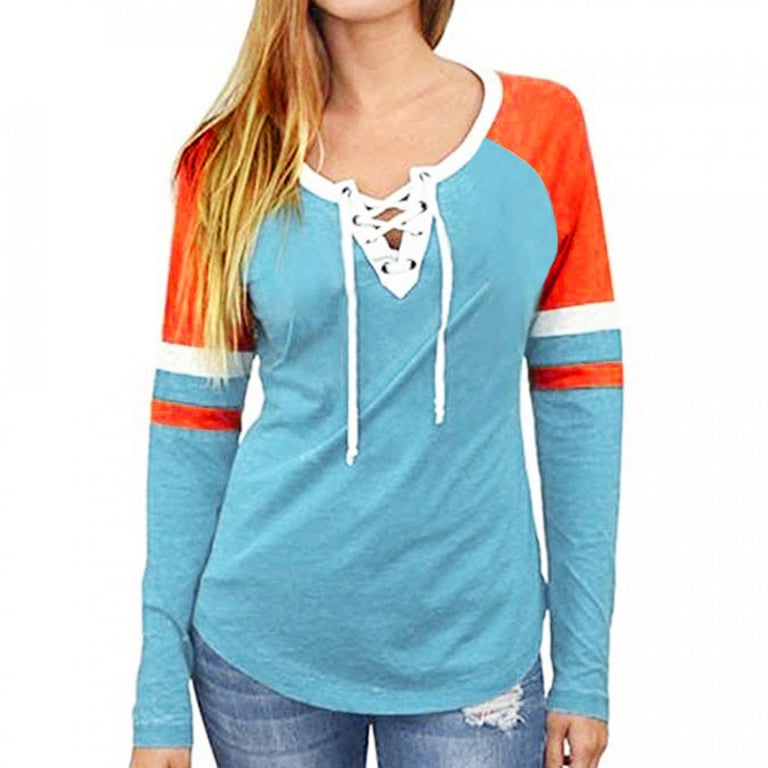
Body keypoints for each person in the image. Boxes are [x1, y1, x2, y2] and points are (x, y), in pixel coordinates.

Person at [128, 1, 624, 767]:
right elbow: (190, 425)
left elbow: (582, 406)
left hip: (476, 650)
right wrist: (160, 693)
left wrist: (584, 671)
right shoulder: (230, 157)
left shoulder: (541, 129)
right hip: (262, 651)